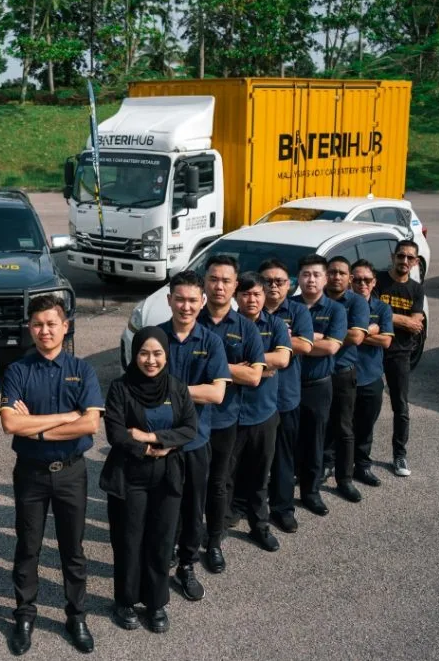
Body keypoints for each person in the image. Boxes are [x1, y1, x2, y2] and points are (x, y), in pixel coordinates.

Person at [0, 296, 102, 654]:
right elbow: (10, 424)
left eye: (51, 324)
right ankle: (25, 614)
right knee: (28, 547)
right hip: (31, 473)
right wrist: (64, 418)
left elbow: (90, 423)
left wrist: (36, 427)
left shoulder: (82, 369)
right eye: (38, 324)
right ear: (30, 328)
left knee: (73, 549)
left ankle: (76, 615)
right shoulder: (18, 371)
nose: (45, 330)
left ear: (65, 326)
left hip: (71, 472)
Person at [101, 326, 197, 634]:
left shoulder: (177, 388)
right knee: (128, 541)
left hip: (167, 477)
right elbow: (116, 432)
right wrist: (145, 449)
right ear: (134, 354)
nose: (150, 360)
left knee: (161, 541)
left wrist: (152, 438)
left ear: (166, 356)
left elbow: (189, 428)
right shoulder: (120, 387)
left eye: (157, 354)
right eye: (144, 353)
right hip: (129, 476)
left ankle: (156, 603)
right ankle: (125, 601)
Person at [161, 270, 230, 603]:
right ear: (169, 300)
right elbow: (140, 390)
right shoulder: (153, 338)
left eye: (192, 300)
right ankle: (160, 560)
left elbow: (216, 394)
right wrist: (192, 391)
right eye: (179, 299)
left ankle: (186, 566)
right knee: (161, 509)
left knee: (192, 510)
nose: (185, 307)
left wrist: (170, 390)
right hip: (159, 442)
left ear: (202, 301)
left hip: (196, 442)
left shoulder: (211, 342)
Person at [198, 256, 264, 574]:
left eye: (226, 280)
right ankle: (181, 541)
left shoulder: (246, 328)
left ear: (235, 285)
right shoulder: (190, 320)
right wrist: (233, 369)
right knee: (186, 484)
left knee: (218, 485)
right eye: (214, 279)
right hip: (190, 419)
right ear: (205, 282)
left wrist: (210, 366)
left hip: (224, 420)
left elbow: (254, 376)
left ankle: (213, 543)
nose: (219, 286)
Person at [230, 272, 291, 552]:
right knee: (226, 475)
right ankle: (222, 523)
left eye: (256, 294)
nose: (251, 299)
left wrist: (250, 364)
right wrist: (260, 369)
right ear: (236, 297)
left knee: (259, 475)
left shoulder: (275, 324)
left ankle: (259, 526)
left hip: (263, 412)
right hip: (230, 413)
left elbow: (282, 358)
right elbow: (218, 363)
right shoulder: (227, 325)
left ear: (264, 295)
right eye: (245, 294)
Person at [259, 259, 313, 534]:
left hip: (286, 395)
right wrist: (281, 342)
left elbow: (305, 345)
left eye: (279, 281)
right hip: (254, 398)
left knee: (283, 457)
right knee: (252, 457)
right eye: (267, 281)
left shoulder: (298, 310)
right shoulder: (248, 309)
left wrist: (275, 339)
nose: (273, 286)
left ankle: (283, 508)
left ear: (289, 284)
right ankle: (244, 506)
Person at [292, 255, 347, 517]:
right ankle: (282, 490)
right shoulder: (288, 306)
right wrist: (314, 339)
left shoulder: (335, 310)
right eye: (306, 274)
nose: (311, 279)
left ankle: (310, 492)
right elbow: (276, 343)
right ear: (298, 278)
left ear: (325, 279)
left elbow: (332, 346)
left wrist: (298, 340)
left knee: (315, 441)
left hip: (318, 385)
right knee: (286, 440)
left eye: (316, 274)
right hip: (288, 384)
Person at [375, 240, 426, 477]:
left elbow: (417, 323)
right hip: (373, 349)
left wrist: (386, 315)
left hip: (400, 353)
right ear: (393, 257)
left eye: (409, 258)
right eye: (401, 256)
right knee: (363, 405)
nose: (404, 261)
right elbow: (371, 310)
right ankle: (353, 455)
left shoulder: (416, 289)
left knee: (401, 407)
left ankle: (399, 455)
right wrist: (403, 320)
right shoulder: (378, 280)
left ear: (415, 262)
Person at [321, 256, 369, 503]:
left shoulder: (357, 302)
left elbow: (357, 337)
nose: (336, 277)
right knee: (318, 425)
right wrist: (340, 333)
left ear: (349, 278)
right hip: (316, 373)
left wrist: (322, 334)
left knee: (343, 427)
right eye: (332, 272)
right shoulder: (315, 299)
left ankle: (345, 479)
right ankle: (318, 469)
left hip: (342, 372)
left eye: (341, 273)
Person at [350, 259, 394, 486]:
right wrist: (371, 331)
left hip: (371, 377)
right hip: (345, 376)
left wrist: (358, 334)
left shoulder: (382, 308)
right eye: (357, 280)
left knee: (365, 426)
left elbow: (386, 341)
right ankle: (333, 465)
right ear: (350, 281)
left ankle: (362, 466)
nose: (362, 284)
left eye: (367, 280)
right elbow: (337, 335)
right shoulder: (341, 306)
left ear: (374, 282)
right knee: (339, 425)